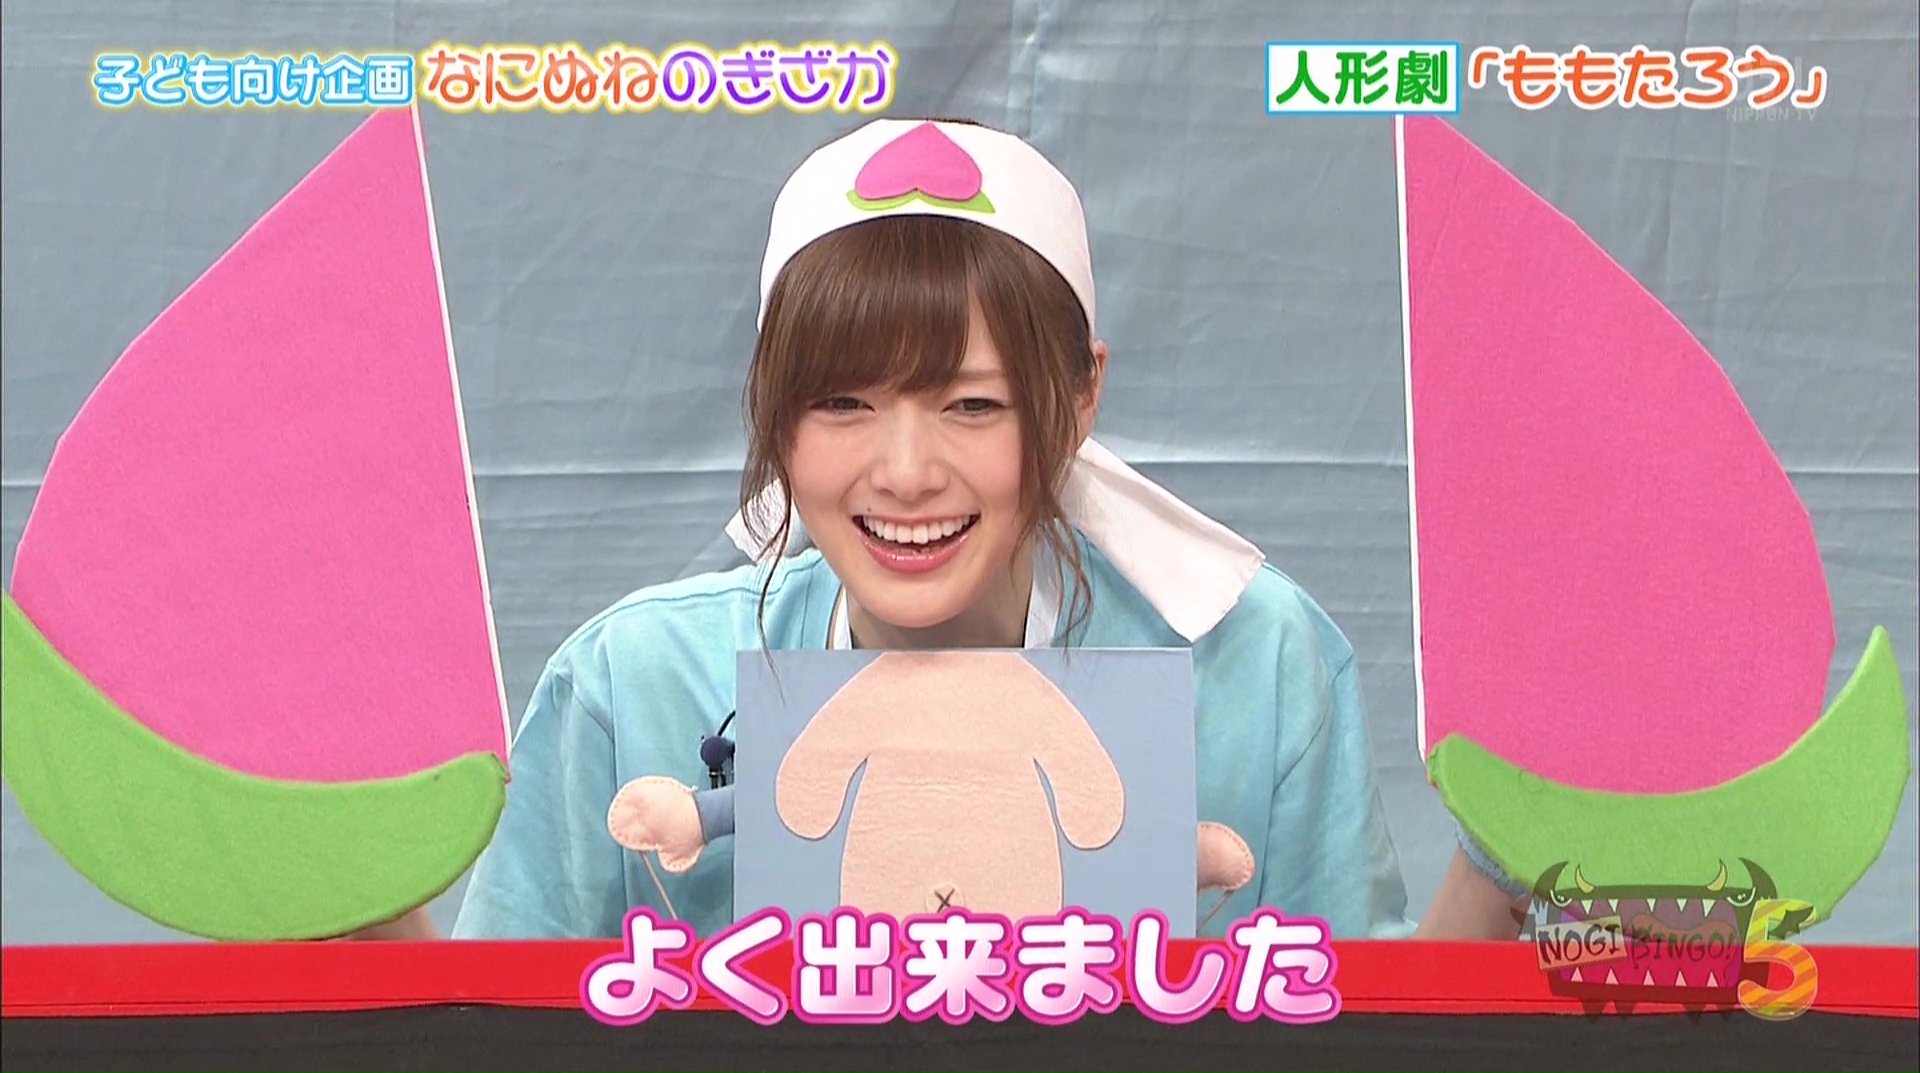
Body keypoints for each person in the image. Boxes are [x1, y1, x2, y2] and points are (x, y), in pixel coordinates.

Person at [356, 117, 1527, 943]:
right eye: (842, 403)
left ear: (1079, 397)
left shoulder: (1255, 662)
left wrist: (1521, 867)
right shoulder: (637, 680)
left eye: (972, 405)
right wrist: (343, 895)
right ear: (771, 403)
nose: (907, 474)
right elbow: (485, 1025)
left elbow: (1369, 1021)